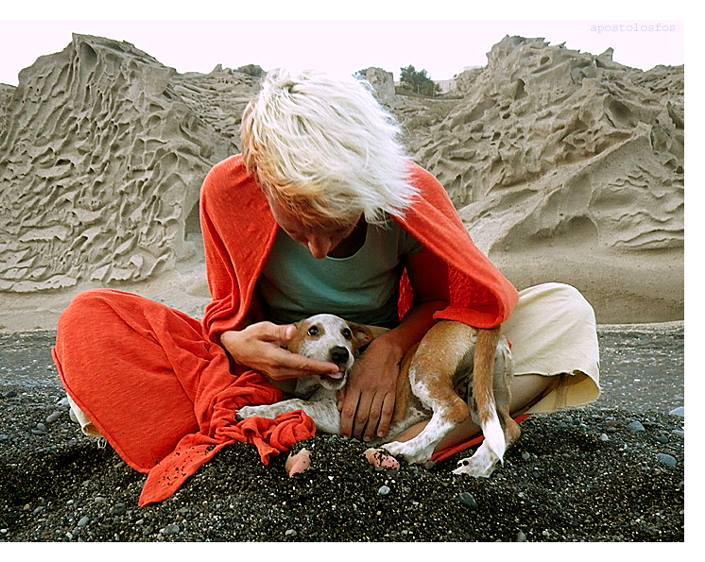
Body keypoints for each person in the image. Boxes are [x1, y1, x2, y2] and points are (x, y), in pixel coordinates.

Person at [53, 68, 600, 504]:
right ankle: (413, 433)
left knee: (565, 313)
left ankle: (396, 433)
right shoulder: (227, 190)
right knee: (89, 322)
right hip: (273, 374)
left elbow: (444, 300)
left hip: (390, 362)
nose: (316, 250)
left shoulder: (405, 192)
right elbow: (225, 311)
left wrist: (389, 349)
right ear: (260, 179)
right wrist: (236, 344)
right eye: (299, 229)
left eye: (336, 229)